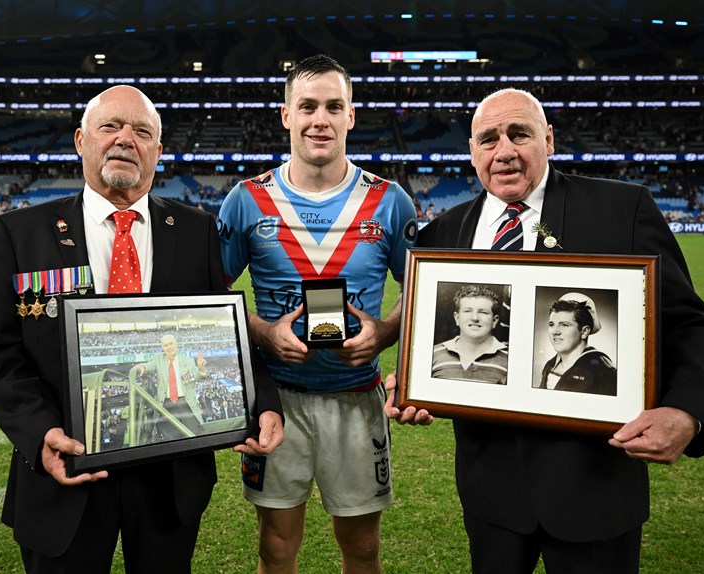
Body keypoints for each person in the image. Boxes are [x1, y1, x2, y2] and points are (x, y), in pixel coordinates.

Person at [385, 88, 704, 574]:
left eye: (519, 134)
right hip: (490, 494)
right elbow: (435, 352)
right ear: (473, 152)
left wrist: (685, 411)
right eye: (488, 139)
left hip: (596, 489)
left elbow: (690, 324)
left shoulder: (621, 209)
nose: (504, 151)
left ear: (548, 139)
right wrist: (415, 386)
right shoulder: (443, 234)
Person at [0, 85, 284, 574]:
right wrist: (40, 432)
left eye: (141, 131)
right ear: (81, 141)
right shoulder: (17, 233)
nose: (125, 139)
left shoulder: (197, 230)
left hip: (169, 477)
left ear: (158, 150)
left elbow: (226, 332)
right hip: (65, 469)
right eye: (110, 126)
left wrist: (263, 401)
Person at [218, 54, 417, 573]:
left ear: (351, 115)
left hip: (357, 398)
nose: (319, 119)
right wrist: (263, 332)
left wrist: (385, 331)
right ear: (287, 115)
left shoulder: (390, 200)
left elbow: (421, 289)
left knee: (363, 547)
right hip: (275, 402)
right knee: (275, 546)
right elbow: (211, 293)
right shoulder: (246, 199)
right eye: (307, 106)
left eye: (333, 106)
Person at [133, 334, 208, 440]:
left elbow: (198, 376)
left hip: (185, 403)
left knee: (193, 434)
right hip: (167, 405)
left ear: (176, 344)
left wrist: (201, 368)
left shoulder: (187, 360)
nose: (169, 347)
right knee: (171, 439)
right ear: (162, 348)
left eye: (171, 344)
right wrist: (142, 367)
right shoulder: (158, 359)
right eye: (165, 345)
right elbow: (149, 366)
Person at [540, 294, 616, 396]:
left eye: (564, 325)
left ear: (584, 332)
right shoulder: (550, 365)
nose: (555, 331)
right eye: (551, 324)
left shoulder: (603, 372)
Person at [432, 284, 508, 384]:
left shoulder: (509, 361)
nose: (475, 318)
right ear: (457, 318)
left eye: (483, 312)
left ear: (494, 321)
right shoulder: (433, 355)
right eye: (467, 311)